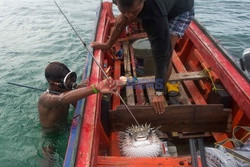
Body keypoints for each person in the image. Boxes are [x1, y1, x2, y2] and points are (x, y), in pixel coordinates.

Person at [91, 0, 194, 114]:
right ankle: (108, 44)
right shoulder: (128, 6)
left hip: (180, 10)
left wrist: (158, 92)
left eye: (133, 11)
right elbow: (126, 14)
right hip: (158, 6)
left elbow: (162, 59)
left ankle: (161, 92)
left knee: (166, 54)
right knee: (121, 20)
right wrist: (109, 43)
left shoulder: (156, 17)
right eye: (125, 11)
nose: (129, 15)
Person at [37, 62, 116, 165]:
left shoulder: (64, 90)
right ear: (53, 83)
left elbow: (78, 91)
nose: (70, 84)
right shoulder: (46, 99)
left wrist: (103, 84)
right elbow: (62, 98)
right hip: (51, 134)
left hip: (65, 124)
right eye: (67, 82)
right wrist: (96, 88)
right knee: (48, 159)